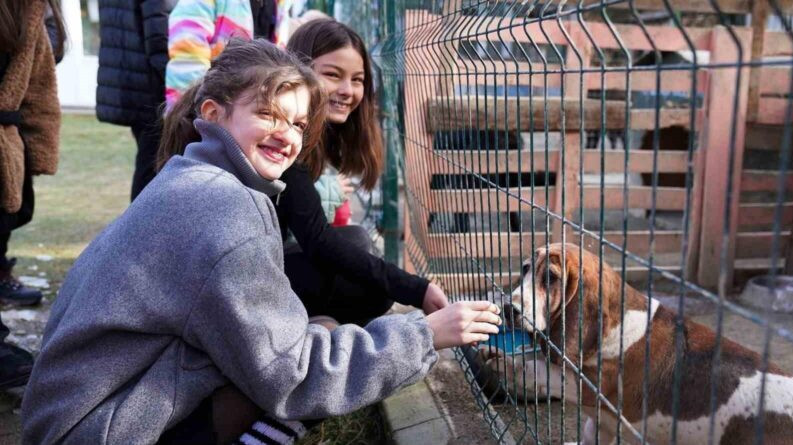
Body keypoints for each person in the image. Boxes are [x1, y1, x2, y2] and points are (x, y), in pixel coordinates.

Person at [22, 39, 502, 444]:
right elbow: (293, 377)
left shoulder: (189, 177)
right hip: (102, 430)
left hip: (74, 418)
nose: (288, 136)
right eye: (268, 114)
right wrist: (425, 334)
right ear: (214, 112)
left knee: (317, 329)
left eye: (297, 123)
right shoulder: (225, 207)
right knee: (315, 355)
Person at [164, 11, 449, 326]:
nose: (347, 90)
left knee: (356, 243)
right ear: (300, 73)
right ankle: (308, 328)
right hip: (223, 284)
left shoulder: (309, 139)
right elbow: (318, 239)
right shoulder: (280, 147)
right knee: (374, 287)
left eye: (357, 80)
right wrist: (415, 288)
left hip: (250, 263)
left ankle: (313, 323)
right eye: (333, 75)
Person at [0, 0, 64, 390]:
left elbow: (39, 84)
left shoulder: (27, 10)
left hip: (8, 147)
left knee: (5, 223)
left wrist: (37, 151)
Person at [96, 0, 174, 201]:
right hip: (153, 89)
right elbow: (160, 35)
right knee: (154, 168)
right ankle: (140, 229)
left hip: (134, 83)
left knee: (151, 165)